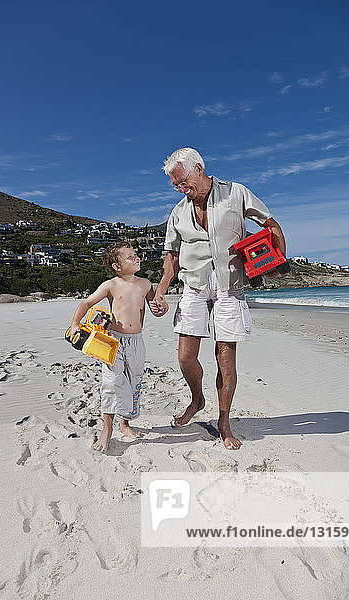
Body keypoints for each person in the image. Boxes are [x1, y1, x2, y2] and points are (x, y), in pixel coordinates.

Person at [150, 147, 286, 450]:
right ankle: (197, 399)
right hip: (194, 286)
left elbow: (270, 224)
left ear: (199, 168)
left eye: (184, 182)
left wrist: (278, 260)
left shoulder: (236, 193)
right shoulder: (178, 212)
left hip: (229, 284)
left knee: (225, 360)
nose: (182, 189)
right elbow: (171, 257)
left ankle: (224, 422)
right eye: (176, 186)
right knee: (185, 356)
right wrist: (160, 291)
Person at [69, 241, 167, 452]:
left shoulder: (145, 284)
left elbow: (155, 307)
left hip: (136, 341)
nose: (136, 258)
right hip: (113, 341)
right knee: (112, 383)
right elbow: (86, 303)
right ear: (117, 266)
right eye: (130, 257)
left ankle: (125, 424)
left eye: (135, 254)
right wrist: (75, 324)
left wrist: (162, 307)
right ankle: (107, 431)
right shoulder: (110, 285)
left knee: (134, 382)